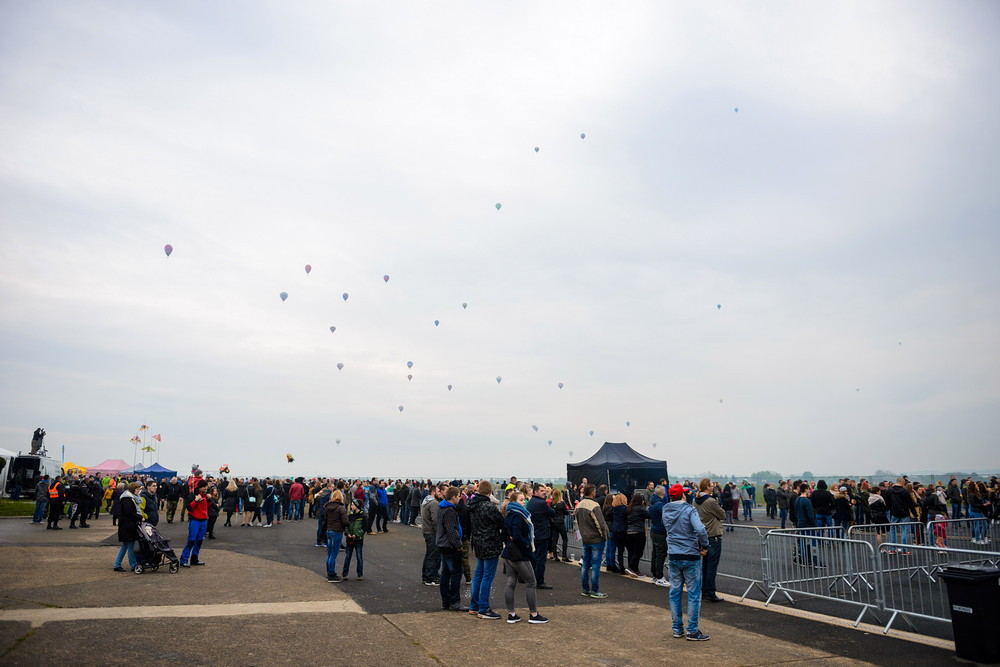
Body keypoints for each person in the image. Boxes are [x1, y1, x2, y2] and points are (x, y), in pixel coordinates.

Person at [663, 484, 710, 641]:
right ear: (682, 496)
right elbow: (700, 529)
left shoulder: (666, 510)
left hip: (673, 554)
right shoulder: (690, 510)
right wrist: (705, 545)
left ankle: (677, 628)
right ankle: (692, 630)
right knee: (694, 594)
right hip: (690, 554)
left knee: (675, 592)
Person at [501, 491, 548, 624]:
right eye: (521, 500)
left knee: (510, 582)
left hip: (508, 552)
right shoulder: (518, 515)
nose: (524, 502)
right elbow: (516, 535)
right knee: (531, 582)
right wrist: (527, 544)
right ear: (514, 501)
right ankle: (533, 614)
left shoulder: (509, 514)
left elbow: (504, 534)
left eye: (524, 499)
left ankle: (511, 614)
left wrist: (511, 539)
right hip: (519, 554)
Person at [468, 480, 503, 619]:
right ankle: (484, 608)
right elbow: (501, 522)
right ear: (490, 492)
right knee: (487, 577)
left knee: (478, 575)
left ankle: (474, 605)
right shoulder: (489, 507)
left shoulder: (472, 505)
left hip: (477, 542)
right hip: (490, 543)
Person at [436, 486, 467, 611]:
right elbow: (451, 530)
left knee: (446, 573)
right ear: (453, 497)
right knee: (456, 573)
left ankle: (446, 601)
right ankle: (454, 601)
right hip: (450, 546)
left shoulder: (442, 508)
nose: (459, 498)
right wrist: (458, 546)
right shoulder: (449, 511)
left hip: (443, 544)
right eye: (458, 496)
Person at [575, 484, 609, 599]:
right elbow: (601, 523)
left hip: (585, 538)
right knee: (595, 565)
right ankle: (595, 590)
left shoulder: (580, 505)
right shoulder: (594, 505)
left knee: (585, 564)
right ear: (593, 492)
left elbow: (578, 522)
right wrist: (604, 536)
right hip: (596, 538)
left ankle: (585, 589)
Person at [695, 478, 725, 603]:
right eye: (712, 485)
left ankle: (703, 591)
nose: (713, 487)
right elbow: (722, 515)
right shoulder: (711, 501)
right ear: (707, 487)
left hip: (702, 534)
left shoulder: (696, 500)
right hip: (713, 535)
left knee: (705, 565)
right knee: (712, 566)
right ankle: (710, 592)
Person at [527, 484, 555, 590]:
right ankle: (539, 581)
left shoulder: (531, 502)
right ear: (535, 492)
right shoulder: (541, 503)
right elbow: (552, 512)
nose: (544, 492)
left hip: (534, 534)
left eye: (544, 490)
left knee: (534, 558)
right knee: (541, 559)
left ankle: (532, 579)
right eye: (542, 491)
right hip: (542, 534)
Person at [179, 480, 210, 567]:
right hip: (195, 520)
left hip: (203, 520)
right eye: (204, 486)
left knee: (199, 541)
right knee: (191, 540)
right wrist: (196, 501)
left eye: (206, 486)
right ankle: (183, 560)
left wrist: (209, 500)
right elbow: (189, 507)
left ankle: (194, 559)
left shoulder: (205, 496)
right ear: (199, 487)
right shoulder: (193, 495)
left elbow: (206, 507)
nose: (205, 488)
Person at [113, 482, 143, 571]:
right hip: (128, 525)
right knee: (130, 546)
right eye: (137, 489)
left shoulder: (129, 498)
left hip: (126, 525)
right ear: (133, 490)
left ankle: (117, 564)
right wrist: (139, 517)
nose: (138, 491)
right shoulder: (127, 499)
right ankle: (133, 565)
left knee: (125, 546)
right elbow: (129, 513)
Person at [321, 490, 349, 582]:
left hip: (329, 530)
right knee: (333, 554)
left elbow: (325, 519)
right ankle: (331, 574)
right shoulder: (341, 508)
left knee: (329, 554)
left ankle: (329, 572)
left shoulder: (327, 507)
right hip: (337, 531)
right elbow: (345, 521)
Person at [420, 484, 444, 586]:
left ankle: (425, 576)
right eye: (438, 491)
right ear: (433, 492)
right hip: (431, 532)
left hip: (426, 531)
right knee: (432, 556)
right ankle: (429, 578)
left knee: (428, 555)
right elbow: (435, 520)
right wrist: (440, 533)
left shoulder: (425, 501)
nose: (440, 493)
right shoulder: (434, 503)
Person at [886, 477, 916, 551]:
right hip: (904, 512)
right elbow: (910, 504)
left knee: (892, 529)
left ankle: (892, 548)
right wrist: (915, 514)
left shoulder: (889, 491)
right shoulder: (905, 491)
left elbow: (887, 502)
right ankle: (904, 549)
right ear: (903, 482)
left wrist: (891, 509)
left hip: (894, 512)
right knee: (904, 530)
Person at [648, 485, 670, 587]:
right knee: (660, 554)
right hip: (660, 531)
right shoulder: (660, 505)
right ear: (663, 494)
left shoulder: (653, 503)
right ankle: (659, 576)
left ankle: (655, 575)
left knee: (655, 553)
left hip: (654, 530)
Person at [624, 493, 649, 577]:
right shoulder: (640, 509)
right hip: (638, 532)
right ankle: (632, 567)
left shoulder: (628, 508)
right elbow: (649, 515)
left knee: (631, 552)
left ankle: (633, 569)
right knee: (639, 552)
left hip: (628, 532)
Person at [342, 498, 366, 580]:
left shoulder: (363, 516)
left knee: (359, 557)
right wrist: (347, 533)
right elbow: (346, 525)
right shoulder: (350, 515)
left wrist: (357, 534)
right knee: (348, 556)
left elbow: (364, 528)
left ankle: (360, 574)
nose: (351, 506)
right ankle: (345, 574)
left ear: (357, 506)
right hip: (350, 539)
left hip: (358, 539)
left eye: (352, 505)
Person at [549, 488, 570, 562]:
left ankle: (555, 556)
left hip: (554, 522)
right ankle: (564, 556)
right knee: (565, 539)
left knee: (555, 539)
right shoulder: (562, 503)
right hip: (560, 522)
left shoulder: (552, 503)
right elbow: (566, 512)